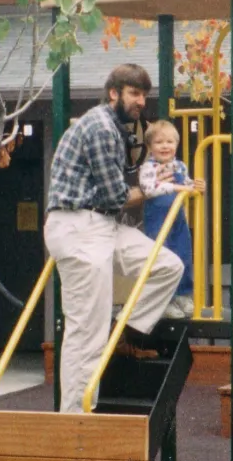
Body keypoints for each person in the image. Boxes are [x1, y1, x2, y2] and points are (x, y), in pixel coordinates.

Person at [44, 64, 185, 413]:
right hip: (80, 227)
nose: (141, 102)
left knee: (167, 265)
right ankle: (76, 420)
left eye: (144, 95)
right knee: (85, 335)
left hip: (101, 226)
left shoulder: (111, 127)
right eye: (134, 94)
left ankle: (124, 328)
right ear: (114, 93)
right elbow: (114, 197)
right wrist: (157, 188)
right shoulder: (102, 127)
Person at [137, 120, 205, 320]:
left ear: (176, 145)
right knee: (161, 259)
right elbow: (148, 190)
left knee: (183, 254)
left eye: (169, 142)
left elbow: (187, 185)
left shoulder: (180, 167)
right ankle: (164, 301)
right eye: (159, 142)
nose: (165, 146)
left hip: (177, 219)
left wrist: (197, 186)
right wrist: (175, 188)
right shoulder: (149, 168)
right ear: (150, 147)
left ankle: (182, 295)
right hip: (158, 220)